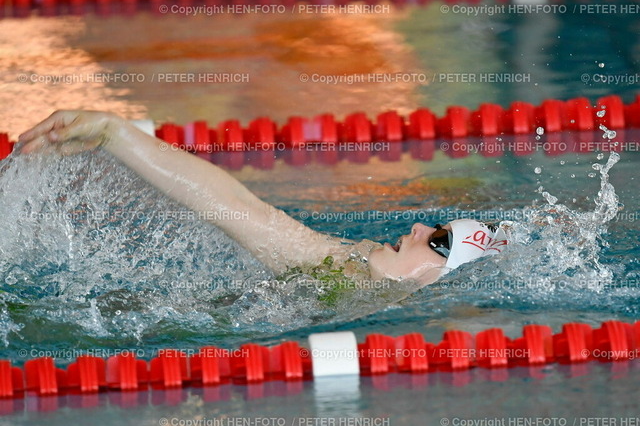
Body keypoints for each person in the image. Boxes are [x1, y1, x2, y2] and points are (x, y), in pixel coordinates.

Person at [15, 110, 508, 291]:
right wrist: (114, 135)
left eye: (439, 241)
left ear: (447, 279)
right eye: (435, 227)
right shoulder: (348, 268)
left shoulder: (371, 290)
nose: (420, 229)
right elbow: (238, 209)